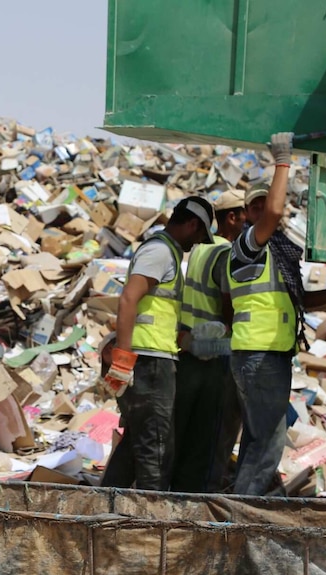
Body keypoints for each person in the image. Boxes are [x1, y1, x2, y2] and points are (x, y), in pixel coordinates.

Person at [227, 133, 326, 495]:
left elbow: (305, 302)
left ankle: (246, 510)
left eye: (269, 201)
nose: (267, 209)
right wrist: (283, 159)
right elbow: (276, 212)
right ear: (248, 213)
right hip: (258, 355)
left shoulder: (279, 254)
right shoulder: (248, 245)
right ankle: (241, 520)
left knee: (258, 441)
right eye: (258, 205)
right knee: (268, 446)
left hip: (271, 355)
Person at [101, 196, 214, 491]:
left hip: (153, 357)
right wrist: (123, 360)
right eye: (201, 235)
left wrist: (187, 341)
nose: (199, 242)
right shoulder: (160, 252)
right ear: (192, 225)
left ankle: (100, 509)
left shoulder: (167, 253)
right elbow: (128, 299)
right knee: (157, 450)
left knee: (136, 444)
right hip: (148, 363)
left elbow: (156, 312)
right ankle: (153, 525)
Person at [171, 189, 246, 492]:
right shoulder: (225, 253)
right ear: (231, 217)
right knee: (210, 434)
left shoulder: (202, 247)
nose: (246, 224)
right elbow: (230, 310)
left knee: (184, 429)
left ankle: (173, 490)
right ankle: (199, 496)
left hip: (188, 347)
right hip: (212, 354)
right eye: (243, 217)